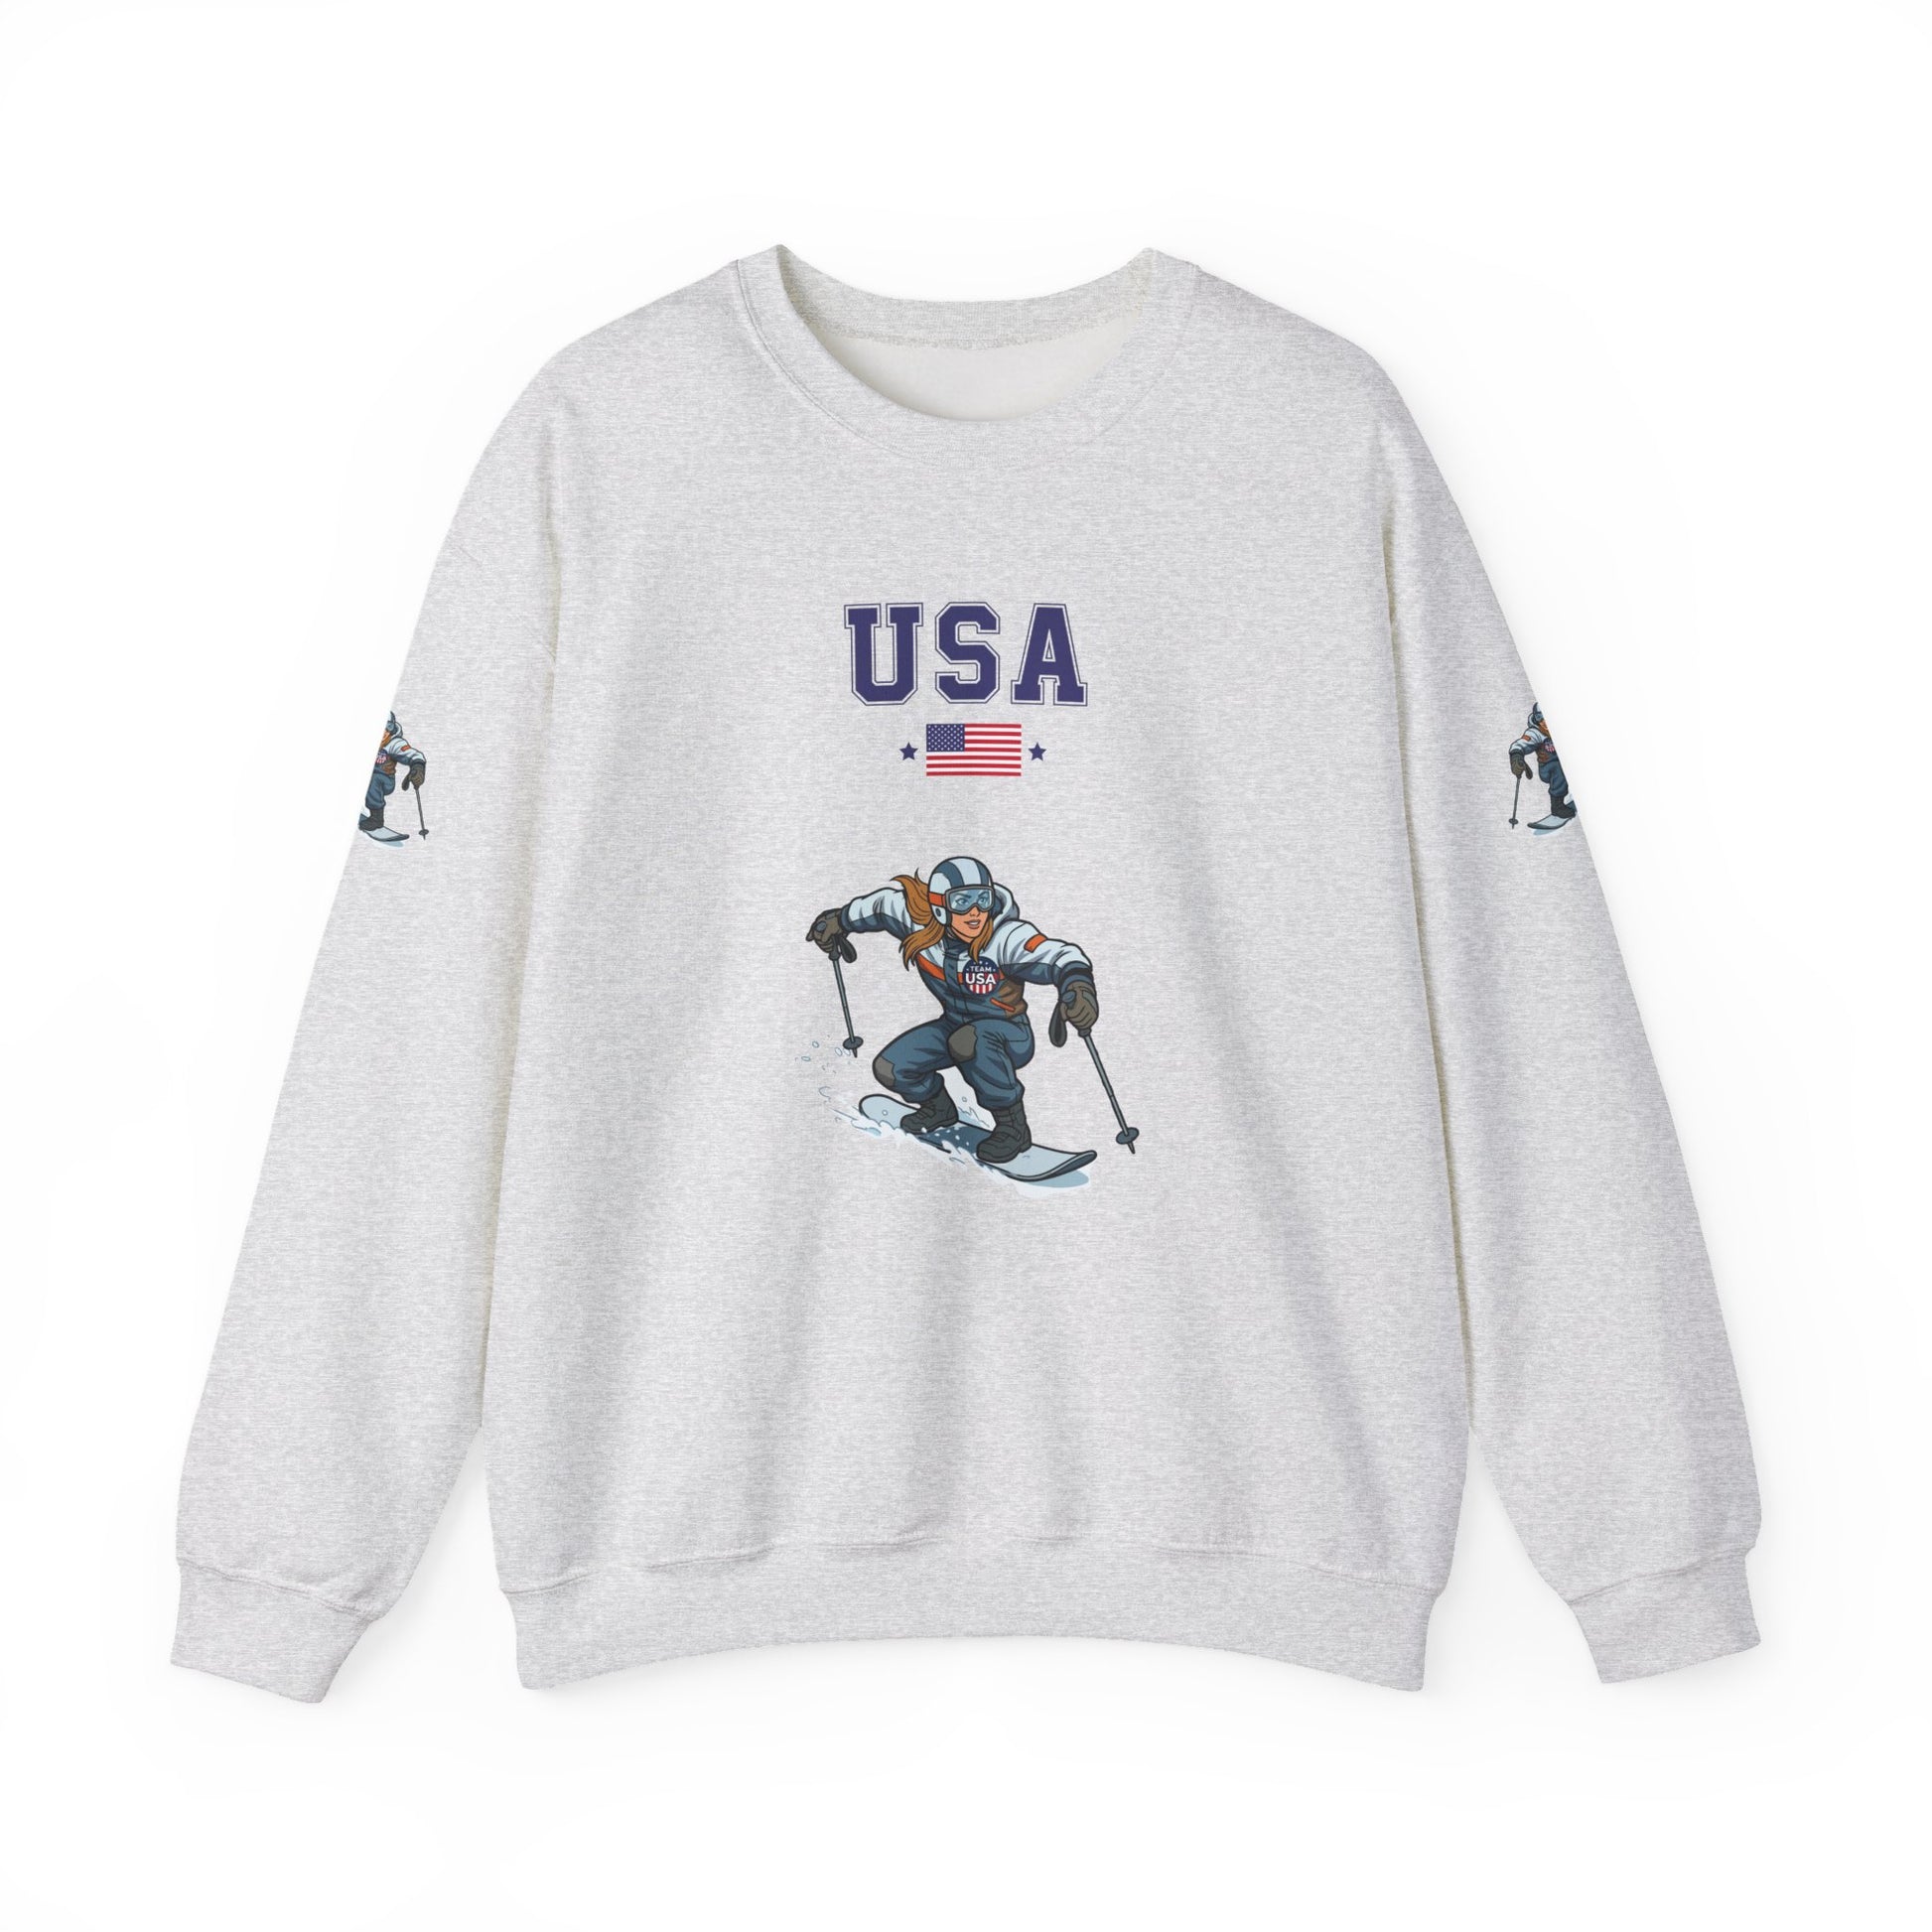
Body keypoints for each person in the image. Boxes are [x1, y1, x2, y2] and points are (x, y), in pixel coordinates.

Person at [807, 856, 1097, 1165]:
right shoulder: (918, 923)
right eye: (962, 901)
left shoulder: (1004, 937)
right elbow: (880, 905)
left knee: (968, 1040)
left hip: (1009, 1033)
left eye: (983, 899)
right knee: (890, 1067)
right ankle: (938, 1108)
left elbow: (1055, 955)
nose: (975, 912)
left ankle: (1013, 1127)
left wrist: (1078, 985)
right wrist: (839, 920)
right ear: (939, 908)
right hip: (954, 1025)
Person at [361, 712, 426, 842]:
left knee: (373, 779)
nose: (383, 733)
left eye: (387, 728)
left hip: (383, 780)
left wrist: (417, 766)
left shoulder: (394, 743)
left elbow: (411, 754)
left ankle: (376, 818)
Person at [1510, 702, 1575, 822]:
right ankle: (1557, 806)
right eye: (1539, 717)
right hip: (1549, 768)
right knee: (1559, 768)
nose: (1544, 722)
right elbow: (1522, 743)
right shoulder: (1536, 732)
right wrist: (1516, 755)